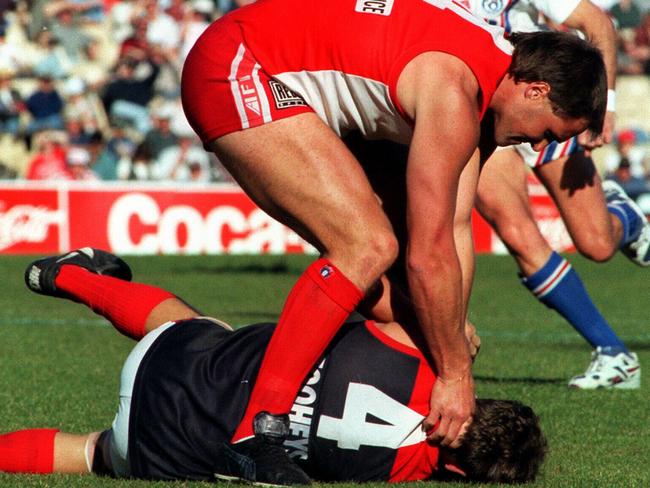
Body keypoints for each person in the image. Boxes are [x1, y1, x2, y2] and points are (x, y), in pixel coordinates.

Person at [181, 0, 605, 483]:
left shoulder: (484, 79)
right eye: (548, 132)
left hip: (260, 61)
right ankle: (257, 434)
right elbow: (429, 256)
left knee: (393, 268)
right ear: (535, 90)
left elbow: (456, 226)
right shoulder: (455, 94)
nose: (537, 146)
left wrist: (455, 333)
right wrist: (453, 374)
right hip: (237, 63)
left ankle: (83, 273)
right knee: (367, 247)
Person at [12, 248, 546, 484]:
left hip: (177, 353)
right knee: (91, 455)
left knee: (204, 329)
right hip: (155, 444)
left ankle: (67, 277)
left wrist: (446, 327)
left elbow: (367, 284)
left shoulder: (424, 355)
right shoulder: (399, 473)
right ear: (456, 471)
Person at [459, 0, 643, 389]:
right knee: (516, 232)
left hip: (546, 102)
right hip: (487, 109)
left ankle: (626, 220)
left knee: (597, 243)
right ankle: (614, 355)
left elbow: (597, 23)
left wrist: (602, 107)